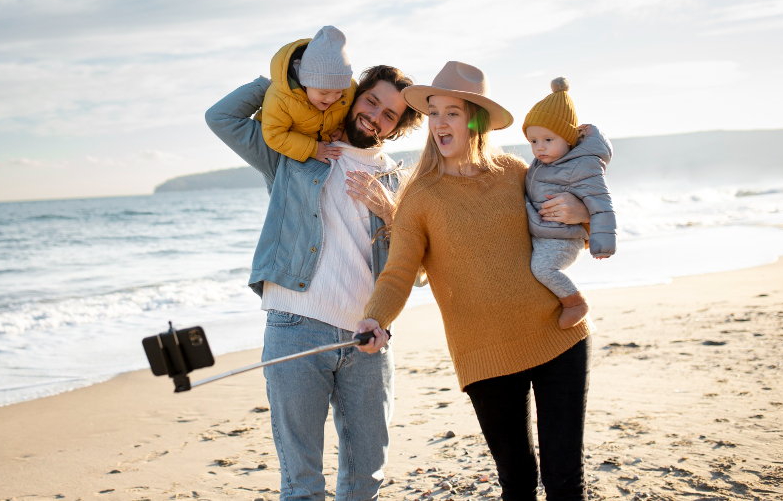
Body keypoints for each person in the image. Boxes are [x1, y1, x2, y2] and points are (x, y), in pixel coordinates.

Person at [356, 61, 593, 500]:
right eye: (433, 112)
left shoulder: (515, 172)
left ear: (475, 120)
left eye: (452, 112)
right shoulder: (420, 196)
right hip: (483, 354)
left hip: (558, 334)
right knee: (517, 481)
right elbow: (400, 271)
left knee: (565, 478)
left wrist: (584, 215)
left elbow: (575, 210)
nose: (439, 123)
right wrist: (376, 319)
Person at [205, 51, 423, 501]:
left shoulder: (399, 181)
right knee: (302, 484)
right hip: (295, 327)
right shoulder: (294, 150)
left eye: (389, 114)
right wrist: (295, 82)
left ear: (397, 127)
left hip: (369, 337)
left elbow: (418, 271)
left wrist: (389, 210)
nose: (375, 116)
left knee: (365, 481)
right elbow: (221, 116)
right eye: (371, 102)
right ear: (353, 96)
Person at [523, 76, 617, 329]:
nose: (539, 148)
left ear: (568, 139)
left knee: (543, 270)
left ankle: (576, 303)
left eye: (548, 140)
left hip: (564, 239)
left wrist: (602, 245)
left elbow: (601, 203)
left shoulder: (583, 165)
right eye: (533, 141)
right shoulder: (543, 163)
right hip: (545, 233)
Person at [259, 26, 356, 164]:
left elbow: (349, 113)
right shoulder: (281, 99)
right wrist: (313, 149)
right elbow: (274, 135)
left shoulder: (349, 90)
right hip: (284, 152)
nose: (331, 99)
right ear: (304, 83)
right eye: (323, 92)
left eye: (338, 92)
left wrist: (341, 129)